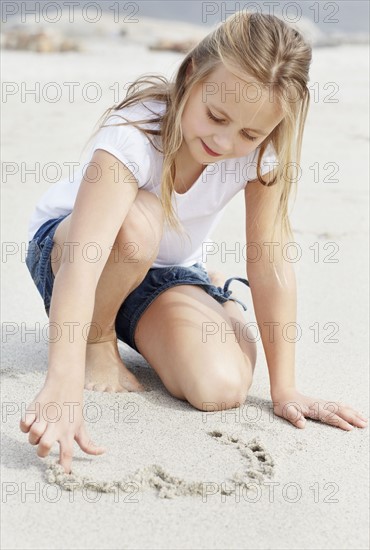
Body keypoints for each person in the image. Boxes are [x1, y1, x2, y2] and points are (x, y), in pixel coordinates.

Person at [20, 11, 368, 474]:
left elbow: (268, 261)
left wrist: (285, 389)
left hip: (163, 275)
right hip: (76, 255)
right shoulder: (133, 133)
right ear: (190, 75)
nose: (223, 142)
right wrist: (61, 383)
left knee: (219, 388)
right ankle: (97, 337)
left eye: (248, 133)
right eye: (216, 116)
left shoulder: (263, 156)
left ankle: (220, 297)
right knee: (136, 229)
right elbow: (84, 262)